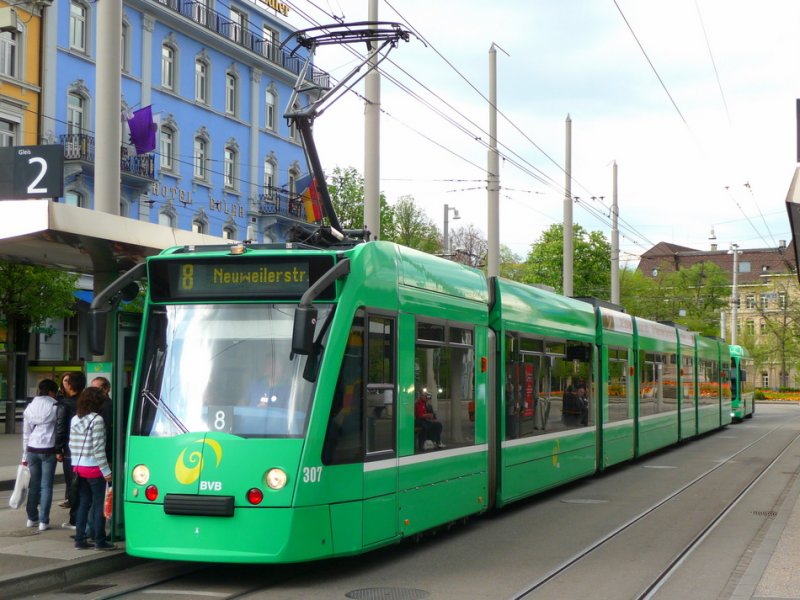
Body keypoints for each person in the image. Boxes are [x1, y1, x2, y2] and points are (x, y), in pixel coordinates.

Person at [69, 386, 115, 551]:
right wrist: (106, 471)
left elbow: (71, 444)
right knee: (98, 505)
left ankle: (80, 539)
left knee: (84, 504)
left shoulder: (75, 419)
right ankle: (100, 540)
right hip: (94, 469)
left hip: (79, 468)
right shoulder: (97, 420)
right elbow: (98, 449)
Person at [21, 379, 63, 532]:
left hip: (32, 449)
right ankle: (43, 521)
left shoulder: (30, 407)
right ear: (52, 391)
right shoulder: (55, 406)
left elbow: (26, 433)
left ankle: (31, 518)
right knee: (46, 486)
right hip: (49, 449)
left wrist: (24, 456)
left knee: (34, 485)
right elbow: (59, 429)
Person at [56, 371, 85, 529]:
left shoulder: (64, 404)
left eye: (67, 381)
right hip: (86, 449)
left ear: (71, 384)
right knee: (84, 487)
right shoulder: (87, 402)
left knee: (72, 485)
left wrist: (58, 449)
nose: (65, 384)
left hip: (69, 449)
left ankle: (75, 519)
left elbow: (60, 428)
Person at [90, 376, 114, 468]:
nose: (93, 391)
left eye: (96, 388)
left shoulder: (107, 405)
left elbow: (105, 428)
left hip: (104, 449)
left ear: (106, 389)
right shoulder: (96, 403)